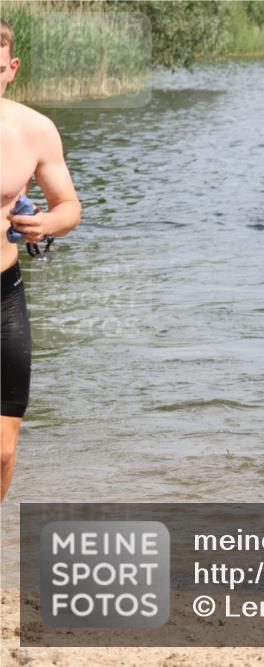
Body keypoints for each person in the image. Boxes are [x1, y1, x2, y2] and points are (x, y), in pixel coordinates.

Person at [2, 19, 82, 501]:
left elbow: (69, 206)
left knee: (4, 450)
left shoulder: (34, 130)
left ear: (11, 69)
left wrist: (48, 224)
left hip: (3, 297)